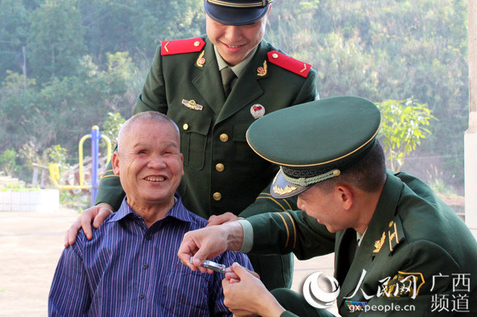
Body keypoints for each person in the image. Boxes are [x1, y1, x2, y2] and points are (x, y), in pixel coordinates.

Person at [66, 0, 318, 290]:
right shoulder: (174, 65)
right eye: (221, 20)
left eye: (247, 22)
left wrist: (243, 225)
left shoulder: (292, 82)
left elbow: (297, 173)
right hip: (175, 248)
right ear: (205, 11)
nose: (232, 35)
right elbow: (131, 142)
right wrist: (104, 201)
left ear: (267, 12)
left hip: (255, 254)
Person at [177, 96, 477, 316]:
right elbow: (303, 227)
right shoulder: (379, 196)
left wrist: (265, 307)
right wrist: (228, 234)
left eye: (304, 196)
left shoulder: (421, 255)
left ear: (344, 196)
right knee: (286, 299)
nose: (300, 205)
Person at [49, 111, 252, 316]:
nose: (156, 164)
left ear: (181, 163)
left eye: (167, 153)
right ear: (117, 163)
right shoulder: (86, 243)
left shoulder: (218, 244)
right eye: (142, 152)